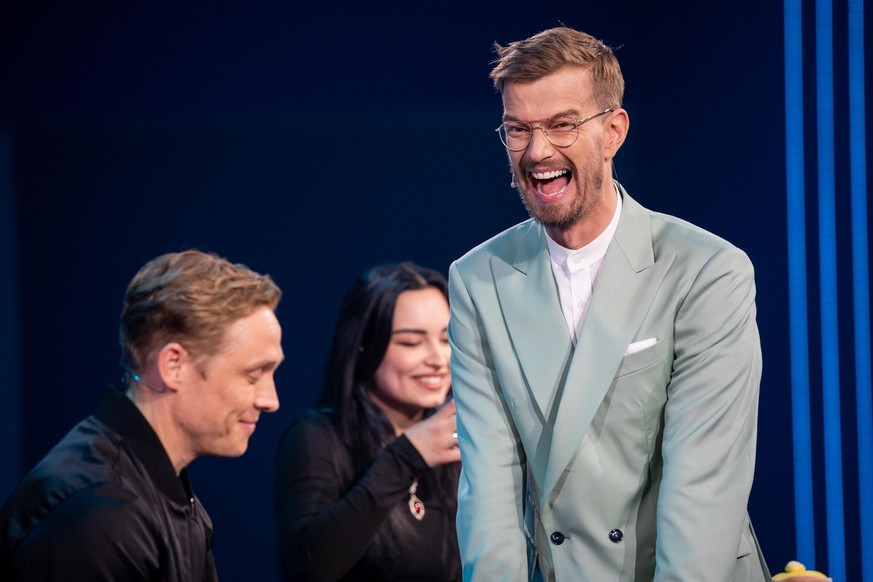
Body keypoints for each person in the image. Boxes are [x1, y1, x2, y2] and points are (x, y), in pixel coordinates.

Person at [448, 27, 770, 581]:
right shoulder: (478, 279)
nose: (537, 151)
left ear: (613, 131)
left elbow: (703, 485)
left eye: (562, 125)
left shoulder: (707, 271)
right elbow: (489, 487)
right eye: (518, 129)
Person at [0, 249, 284, 581]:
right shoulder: (99, 518)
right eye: (253, 376)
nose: (271, 400)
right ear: (173, 365)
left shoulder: (165, 495)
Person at [275, 261, 461, 581]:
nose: (437, 359)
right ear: (364, 346)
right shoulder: (317, 437)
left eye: (446, 339)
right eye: (411, 343)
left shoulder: (459, 441)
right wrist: (404, 458)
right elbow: (310, 566)